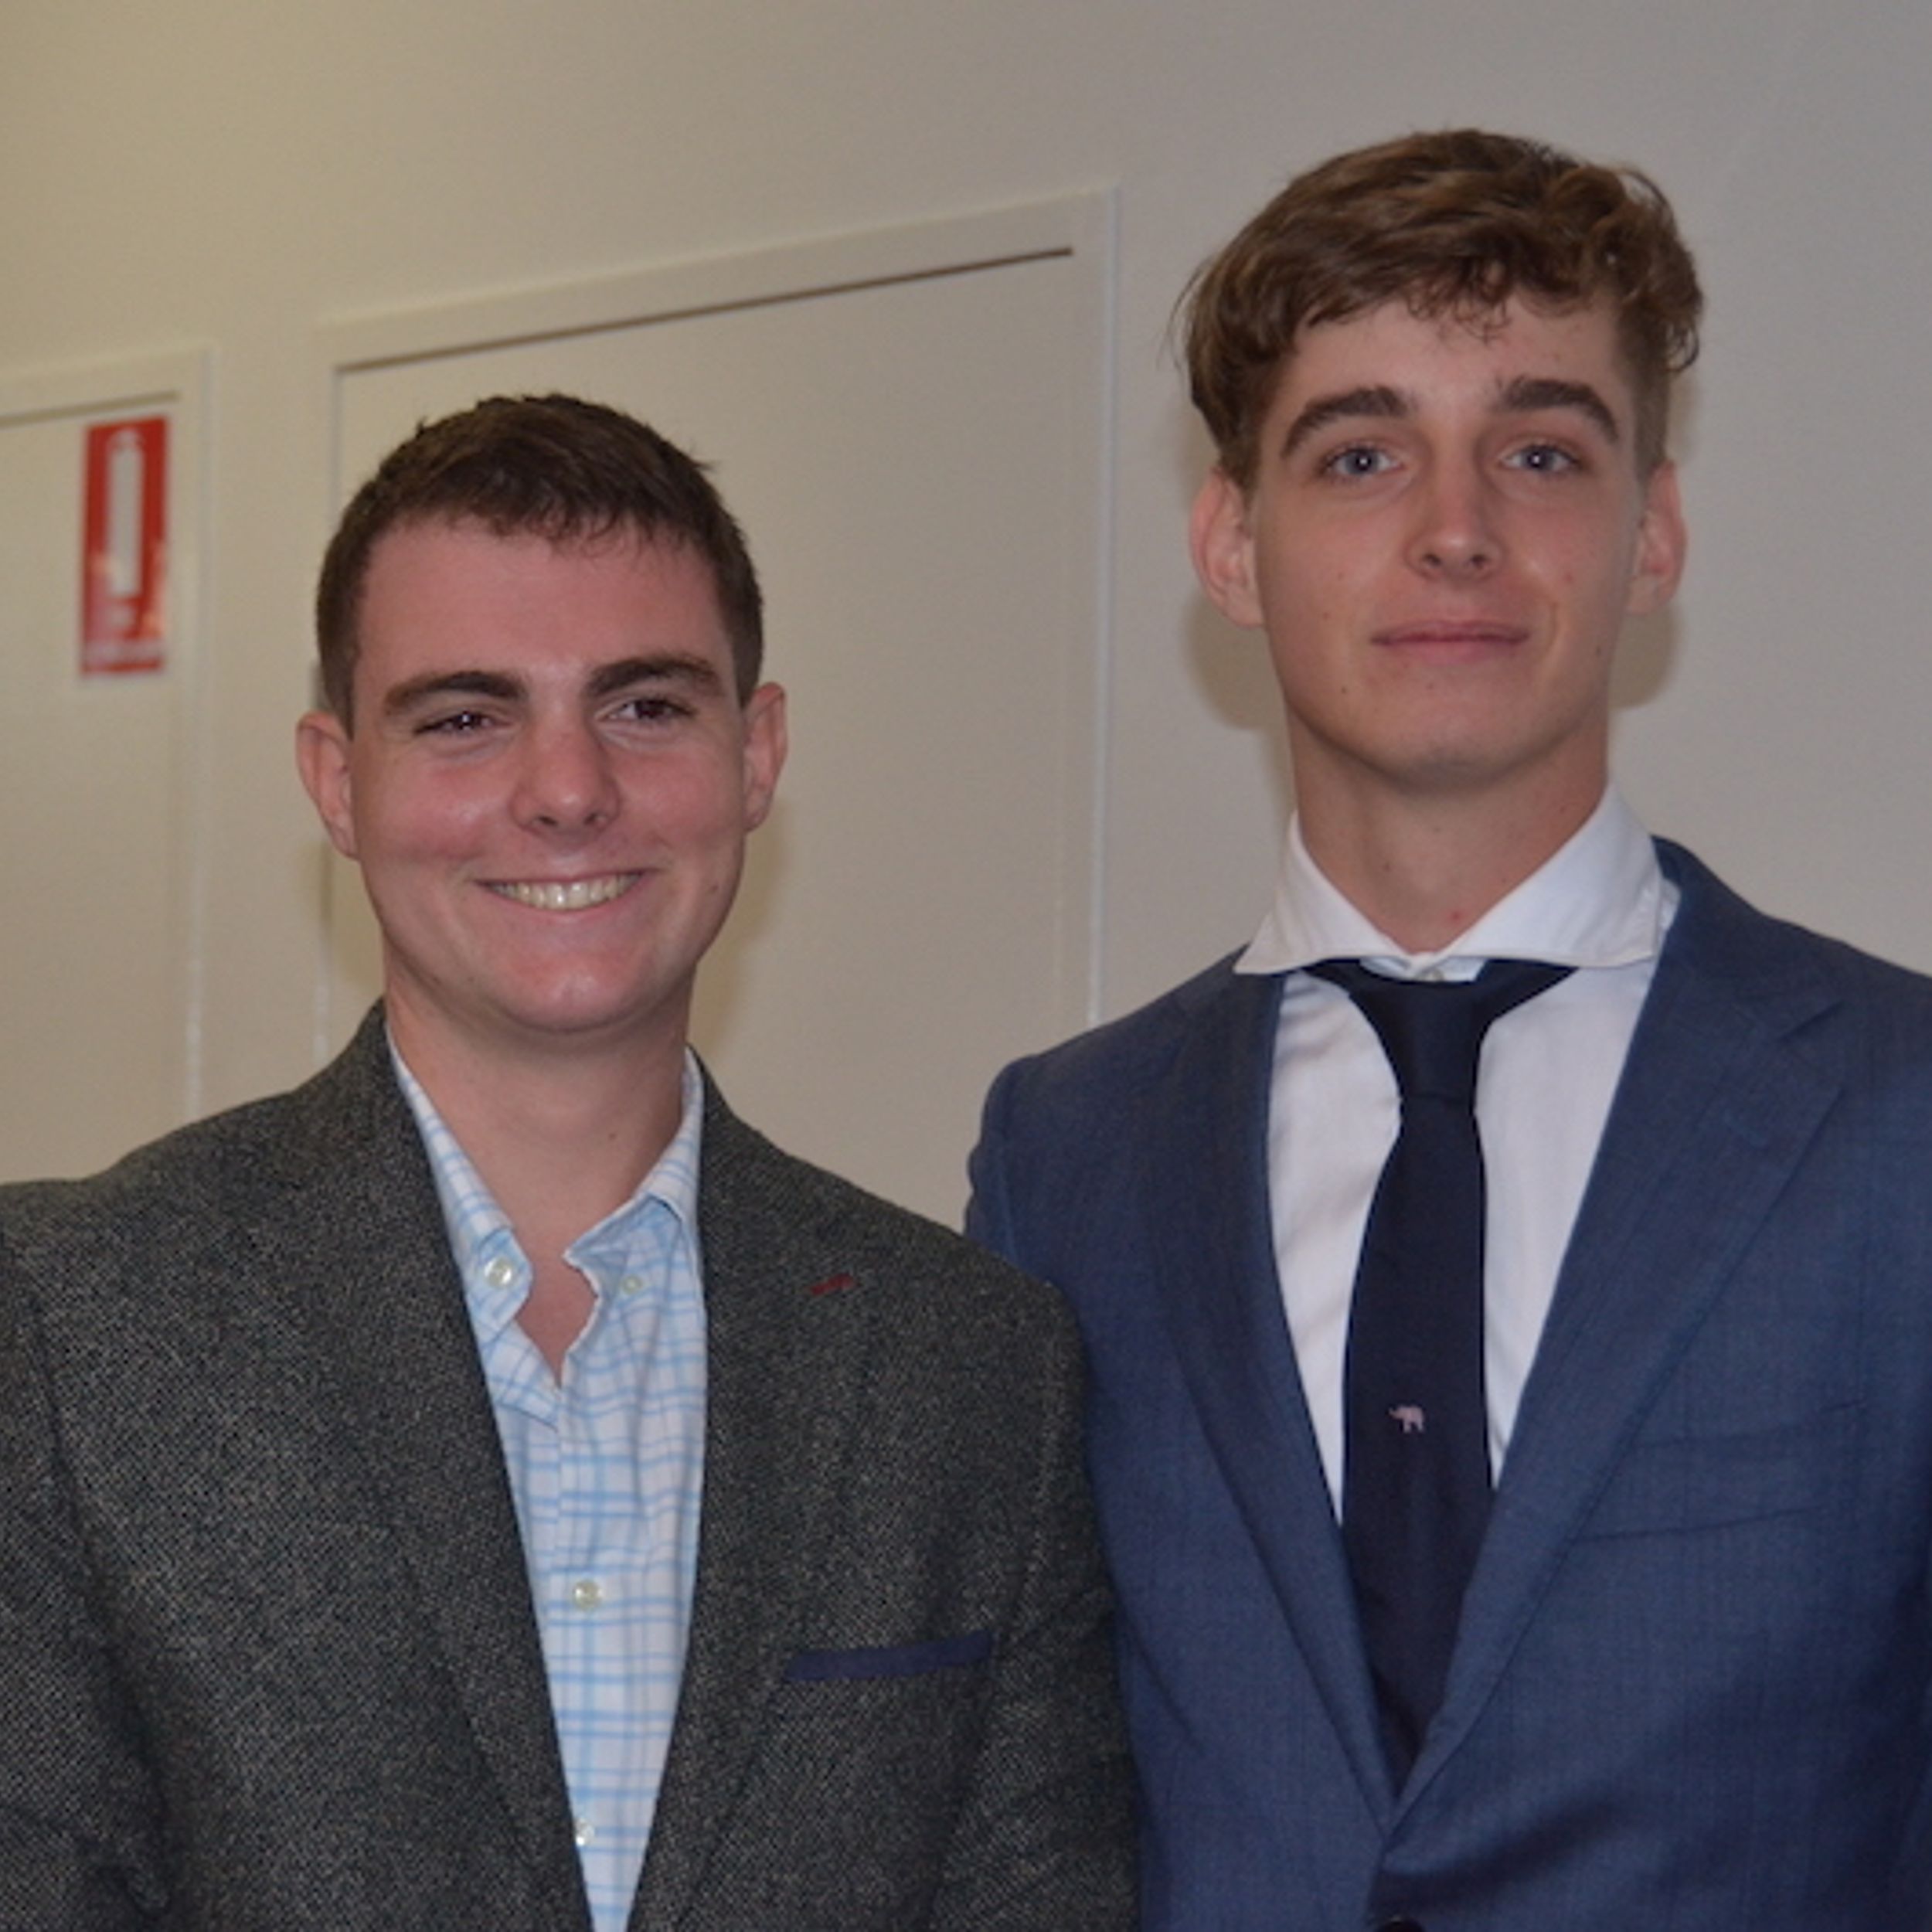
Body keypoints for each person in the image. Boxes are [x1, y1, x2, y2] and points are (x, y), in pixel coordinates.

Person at [0, 393, 1134, 1932]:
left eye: (645, 705)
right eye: (464, 717)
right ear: (336, 781)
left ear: (757, 753)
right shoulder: (73, 1323)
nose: (567, 788)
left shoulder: (975, 1367)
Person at [968, 130, 1932, 1927]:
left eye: (1539, 449)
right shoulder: (1062, 1152)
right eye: (1358, 452)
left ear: (1650, 532)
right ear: (1228, 544)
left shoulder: (1898, 1109)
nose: (1455, 526)